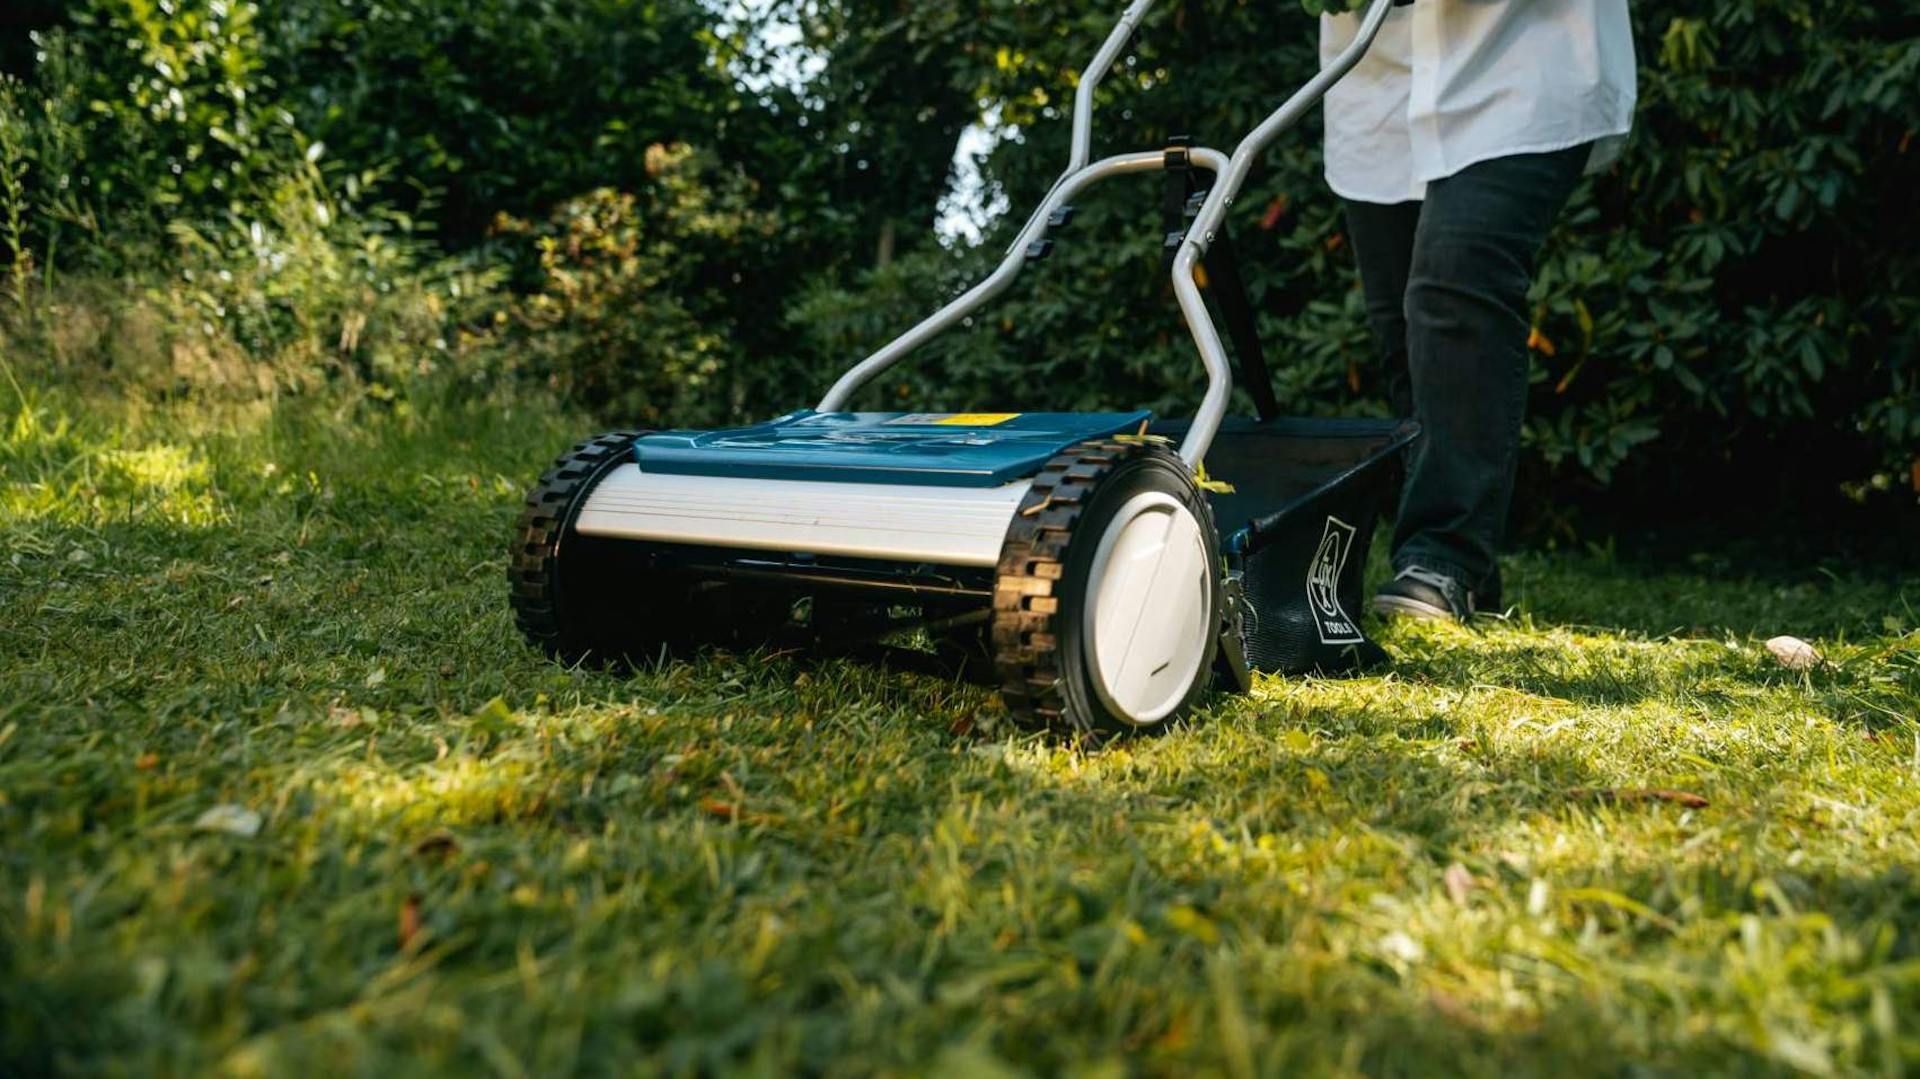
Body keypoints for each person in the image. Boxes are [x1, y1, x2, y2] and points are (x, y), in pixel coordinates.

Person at [1319, 0, 1637, 623]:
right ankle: (1464, 573)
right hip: (1380, 82)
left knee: (1456, 286)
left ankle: (1445, 558)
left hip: (1522, 58)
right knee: (1402, 326)